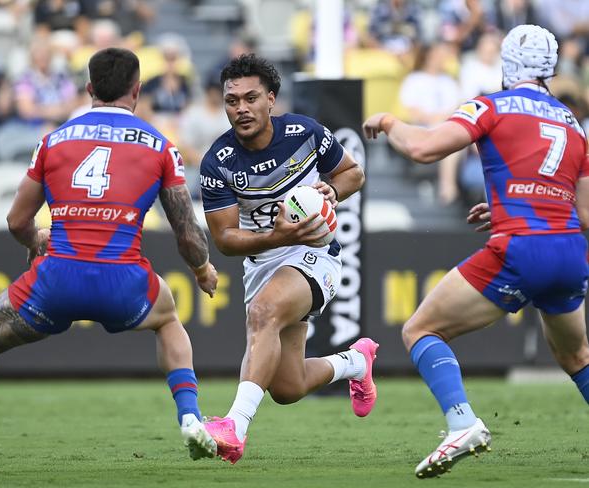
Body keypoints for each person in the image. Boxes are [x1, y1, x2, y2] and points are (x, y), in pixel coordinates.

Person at [0, 47, 220, 482]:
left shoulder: (52, 141)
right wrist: (203, 270)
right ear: (137, 90)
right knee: (168, 321)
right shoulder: (160, 145)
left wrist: (37, 240)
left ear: (89, 89)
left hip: (56, 280)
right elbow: (186, 231)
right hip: (124, 283)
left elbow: (16, 220)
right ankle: (190, 418)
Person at [362, 24, 589, 478]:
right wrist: (510, 204)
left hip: (521, 248)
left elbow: (424, 148)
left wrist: (389, 122)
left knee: (420, 329)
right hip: (569, 251)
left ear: (507, 65)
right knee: (577, 356)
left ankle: (462, 423)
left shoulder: (491, 104)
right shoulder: (573, 124)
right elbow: (582, 212)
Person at [199, 53, 378, 464]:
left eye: (250, 98)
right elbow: (225, 239)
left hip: (317, 253)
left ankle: (234, 427)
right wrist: (276, 235)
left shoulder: (305, 133)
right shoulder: (218, 162)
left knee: (263, 312)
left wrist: (335, 191)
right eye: (231, 101)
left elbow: (353, 174)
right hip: (264, 261)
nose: (241, 109)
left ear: (271, 99)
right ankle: (354, 362)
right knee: (287, 387)